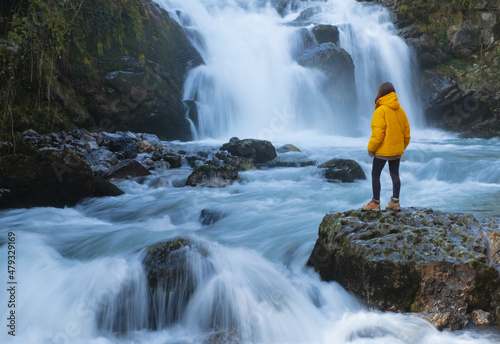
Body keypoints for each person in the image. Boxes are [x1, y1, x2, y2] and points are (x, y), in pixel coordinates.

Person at [362, 82, 410, 212]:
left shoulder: (380, 111)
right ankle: (395, 202)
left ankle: (375, 203)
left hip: (382, 151)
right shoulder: (401, 111)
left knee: (375, 174)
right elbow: (407, 133)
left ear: (380, 94)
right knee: (395, 175)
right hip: (396, 150)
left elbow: (378, 134)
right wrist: (401, 147)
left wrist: (371, 149)